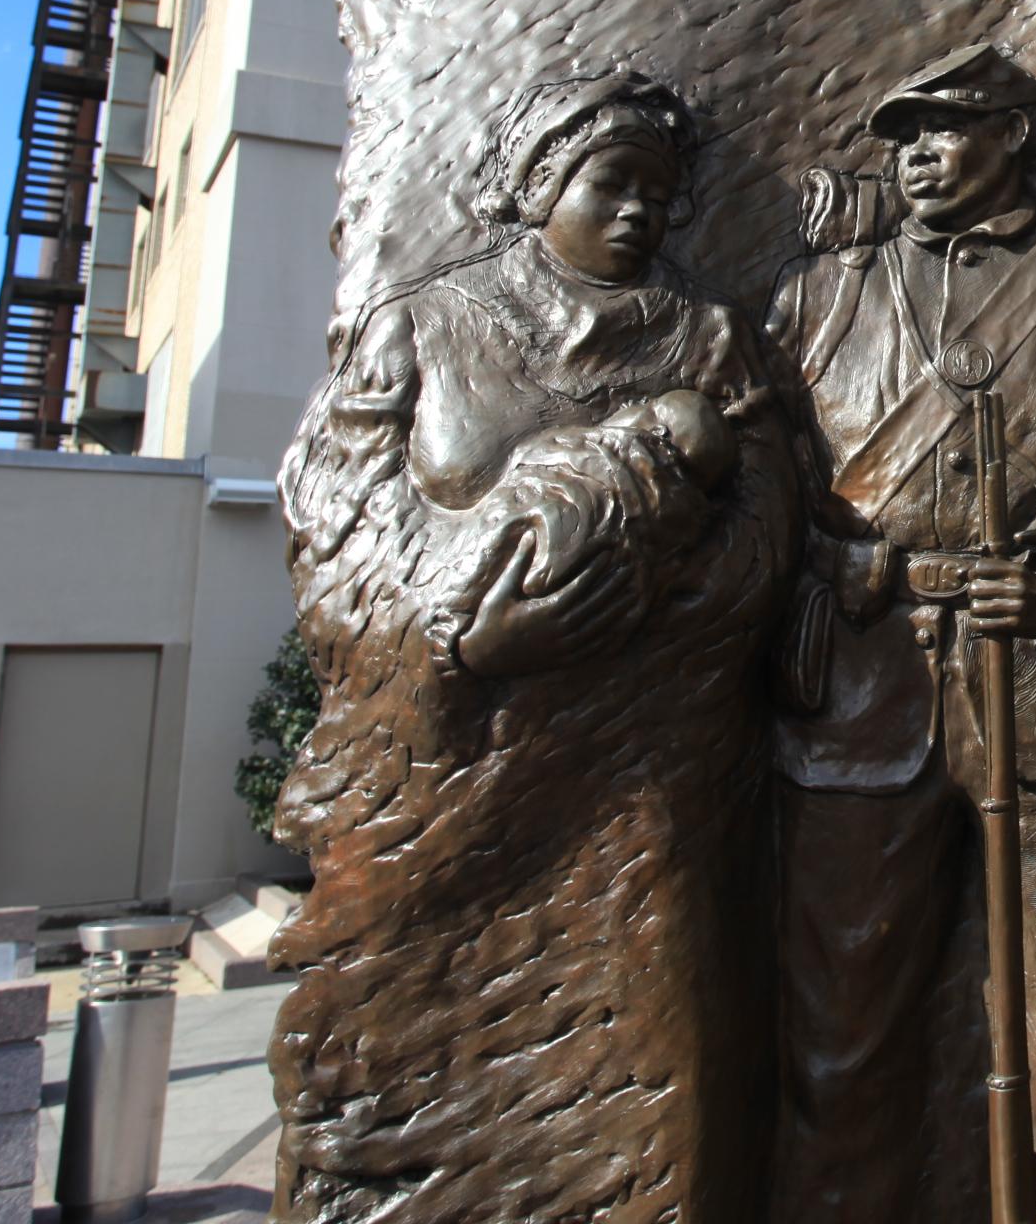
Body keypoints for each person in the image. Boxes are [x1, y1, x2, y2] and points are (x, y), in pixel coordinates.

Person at [268, 71, 800, 1224]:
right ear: (535, 184)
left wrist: (635, 608)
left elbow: (766, 536)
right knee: (395, 1067)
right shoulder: (423, 322)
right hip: (449, 781)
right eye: (610, 183)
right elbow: (335, 524)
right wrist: (461, 629)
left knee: (649, 1086)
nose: (638, 215)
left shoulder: (710, 341)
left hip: (636, 790)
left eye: (660, 194)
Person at [766, 44, 1036, 1223]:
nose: (918, 151)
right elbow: (753, 506)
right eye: (903, 132)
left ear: (1015, 135)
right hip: (864, 710)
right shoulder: (823, 295)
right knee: (841, 1041)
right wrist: (847, 562)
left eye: (949, 125)